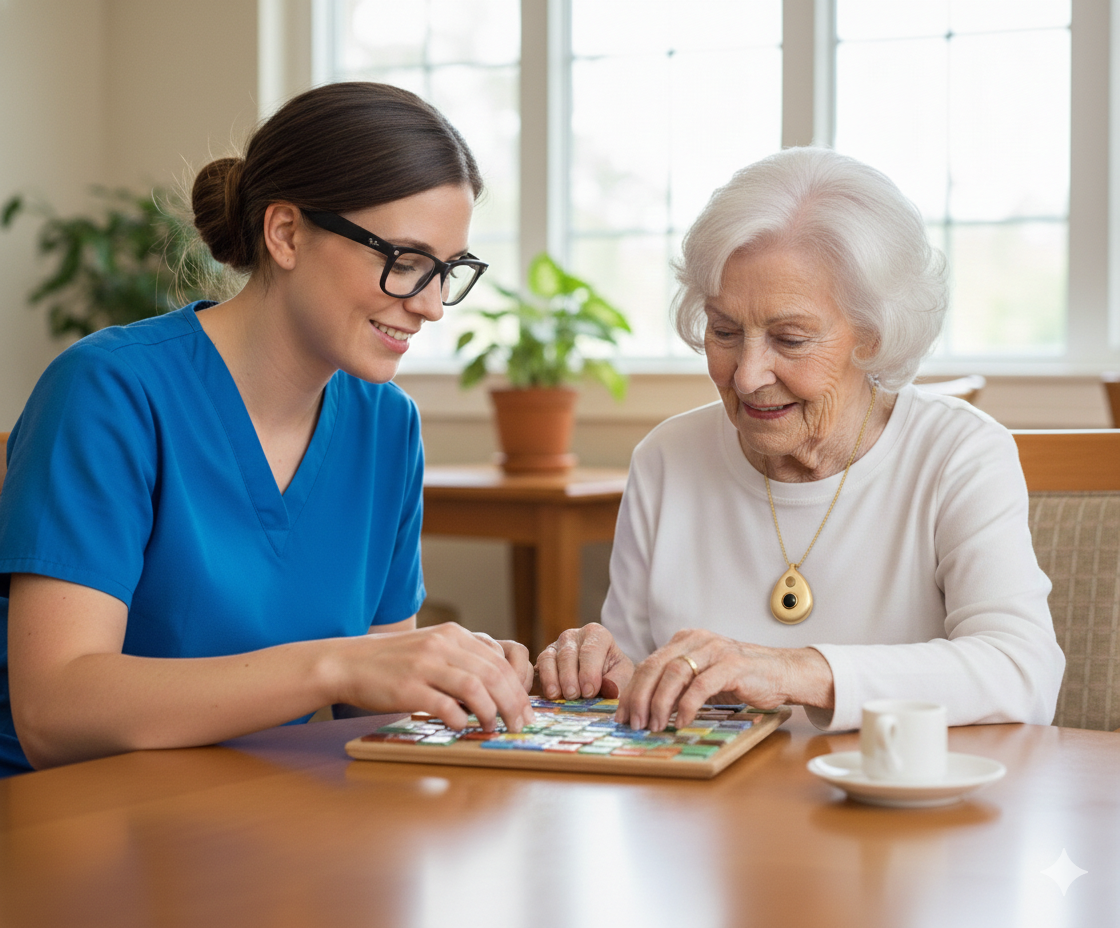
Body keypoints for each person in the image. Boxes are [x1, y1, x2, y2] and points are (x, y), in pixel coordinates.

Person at [0, 82, 534, 775]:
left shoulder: (386, 425)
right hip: (67, 822)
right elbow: (54, 711)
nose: (431, 306)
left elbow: (369, 716)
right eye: (405, 263)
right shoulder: (111, 390)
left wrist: (459, 675)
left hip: (249, 812)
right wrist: (336, 666)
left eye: (448, 271)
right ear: (286, 233)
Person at [537, 147, 1065, 734]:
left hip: (893, 814)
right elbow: (635, 682)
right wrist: (604, 669)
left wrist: (793, 671)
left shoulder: (958, 453)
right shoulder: (666, 457)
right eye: (725, 331)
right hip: (707, 817)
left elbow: (1023, 672)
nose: (746, 375)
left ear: (873, 334)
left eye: (789, 339)